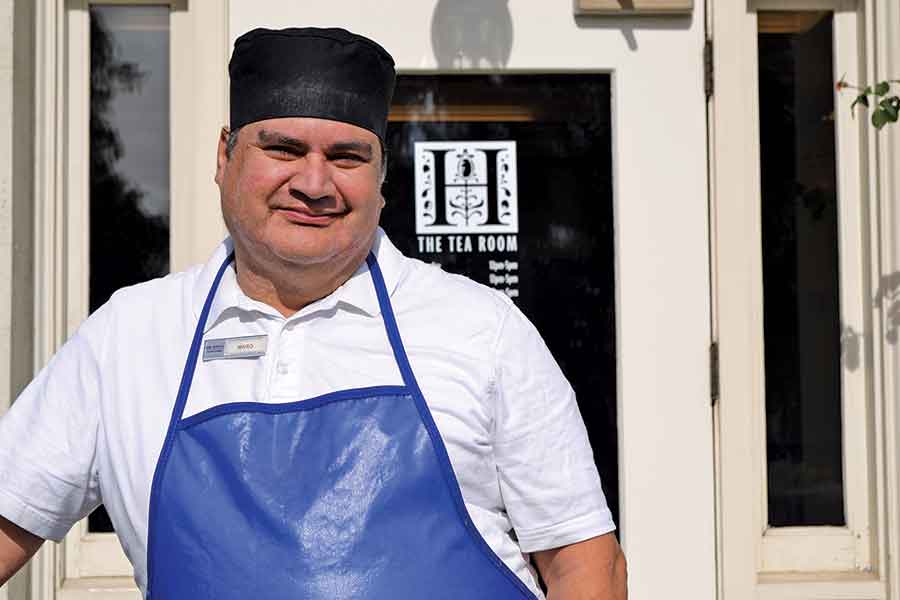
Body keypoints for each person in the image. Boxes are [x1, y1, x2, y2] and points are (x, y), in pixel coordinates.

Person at [0, 27, 626, 599]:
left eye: (348, 157)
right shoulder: (130, 336)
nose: (315, 183)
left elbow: (583, 559)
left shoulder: (481, 330)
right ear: (225, 156)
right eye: (283, 148)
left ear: (381, 175)